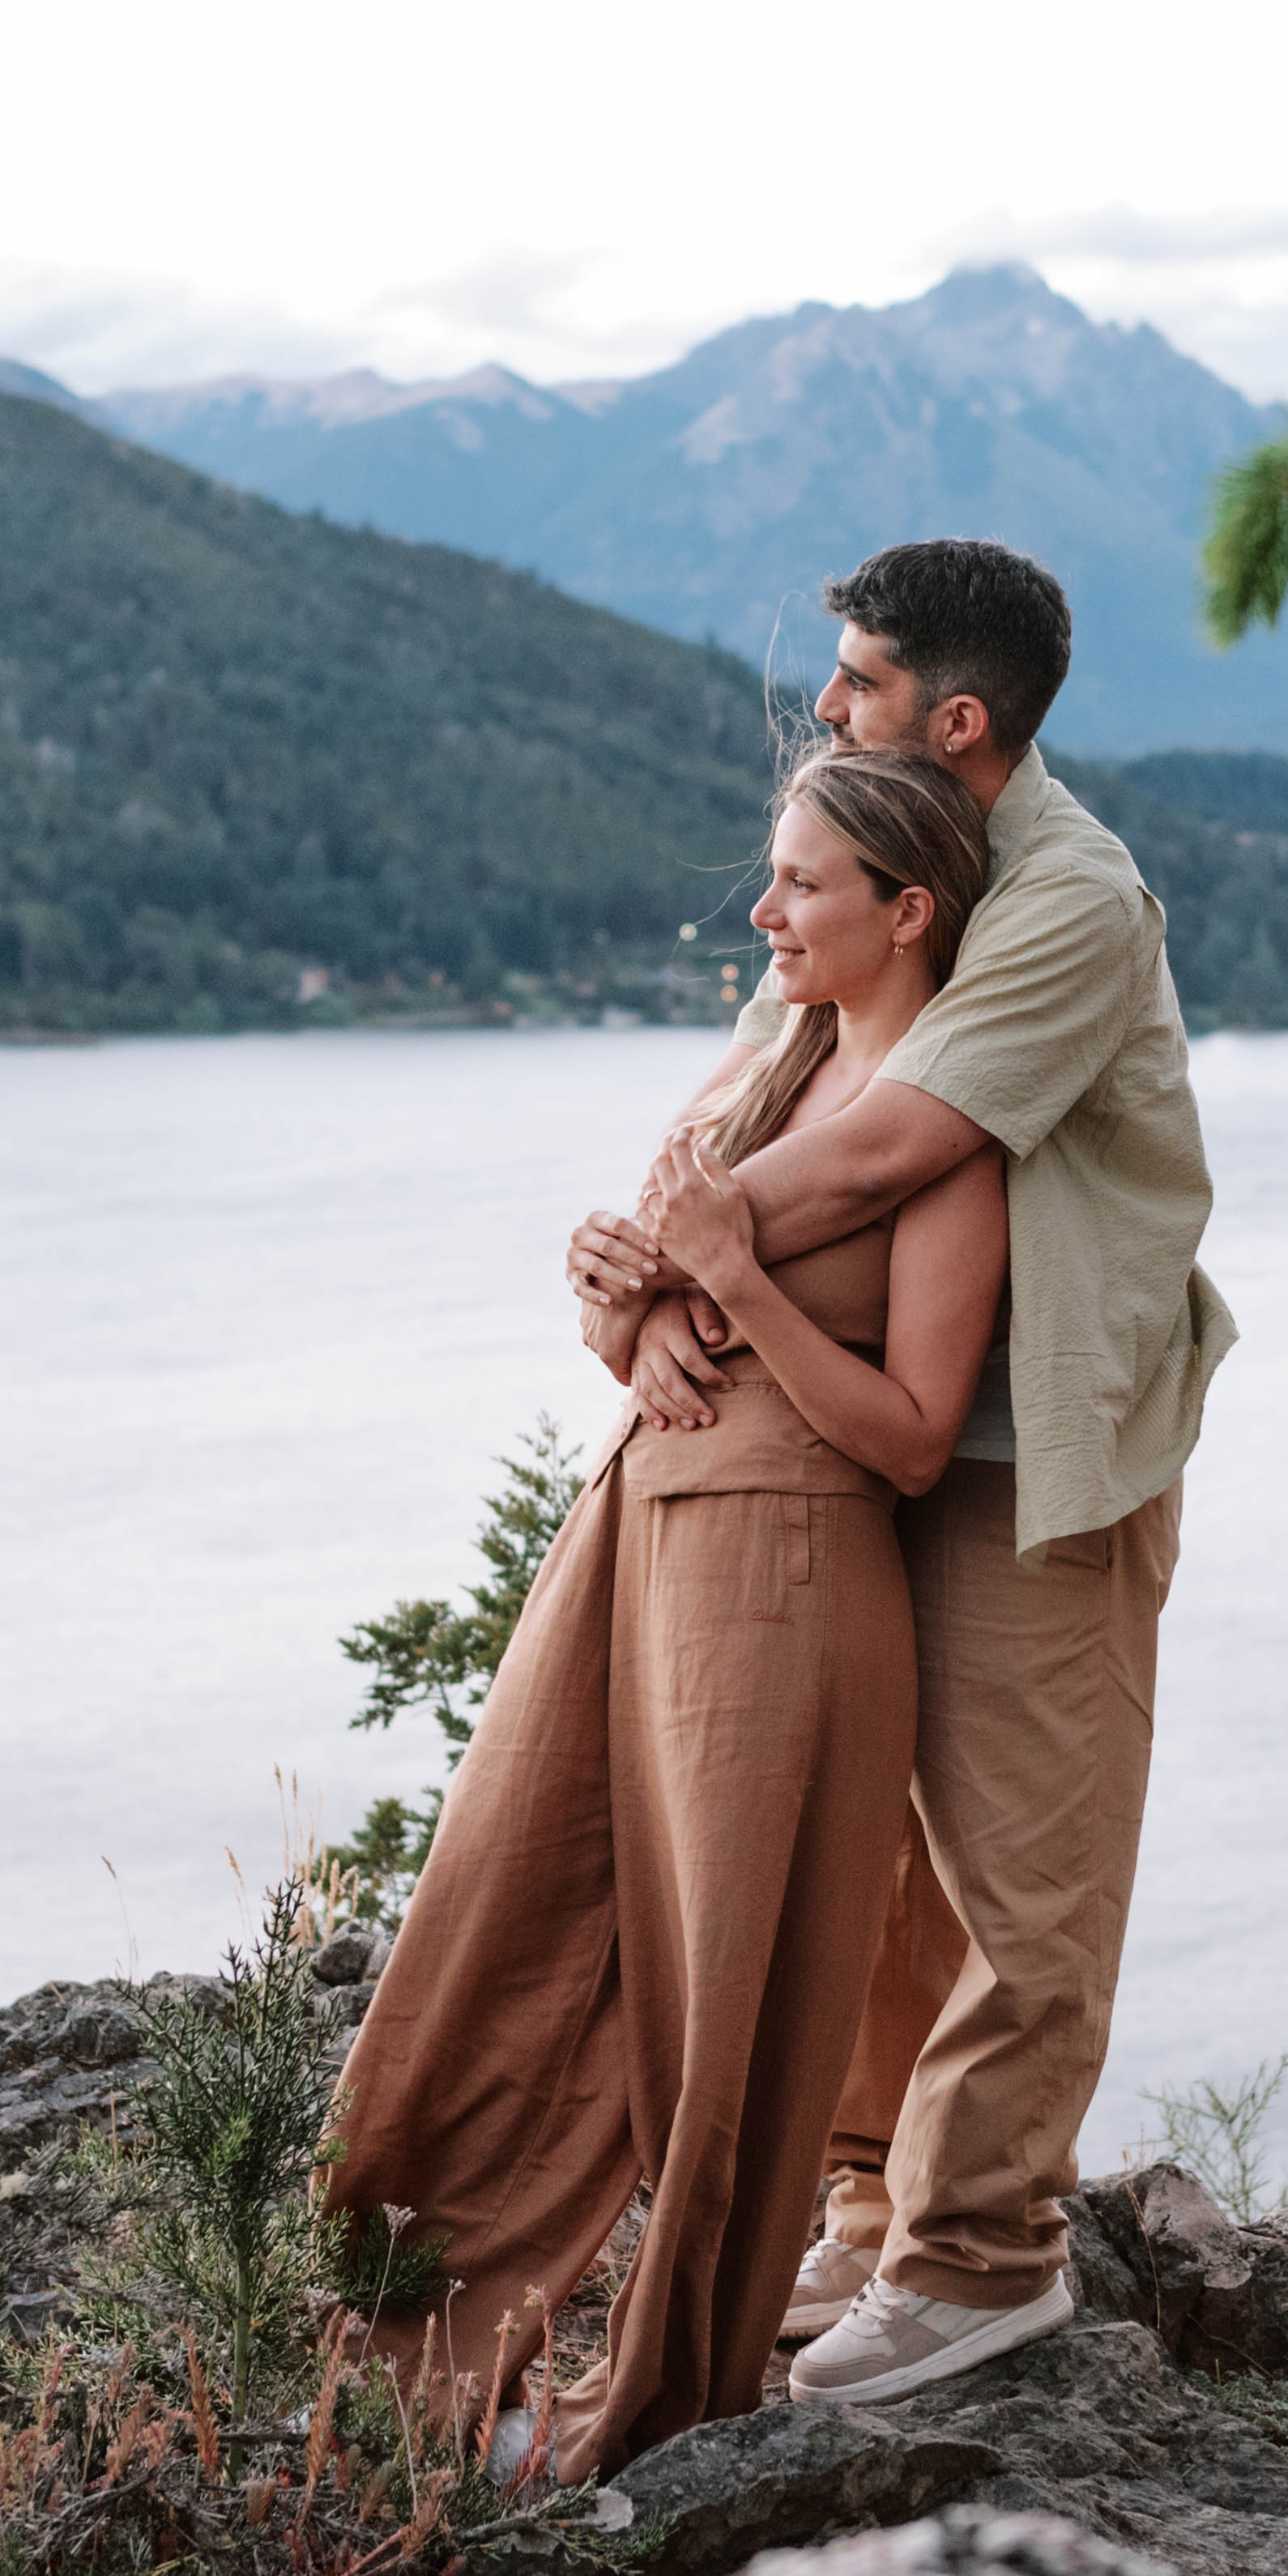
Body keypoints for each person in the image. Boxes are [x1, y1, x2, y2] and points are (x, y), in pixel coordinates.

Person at [569, 537, 1233, 2411]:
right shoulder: (872, 853)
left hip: (1044, 1447)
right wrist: (646, 1254)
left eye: (852, 681)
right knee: (870, 1853)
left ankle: (982, 2259)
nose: (823, 708)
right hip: (872, 1424)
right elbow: (761, 1115)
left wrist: (675, 1252)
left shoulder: (1066, 900)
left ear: (957, 719)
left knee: (1029, 1875)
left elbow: (883, 1156)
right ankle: (872, 2203)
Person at [318, 749, 1008, 2480]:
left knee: (720, 2011)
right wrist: (620, 1308)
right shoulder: (765, 1065)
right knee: (499, 1908)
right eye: (769, 876)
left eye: (802, 886)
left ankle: (655, 2396)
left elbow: (914, 1437)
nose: (763, 912)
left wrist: (744, 1282)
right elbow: (634, 1285)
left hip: (787, 1578)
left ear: (906, 912)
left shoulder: (943, 1129)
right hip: (631, 1533)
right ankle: (401, 2352)